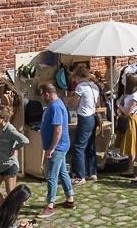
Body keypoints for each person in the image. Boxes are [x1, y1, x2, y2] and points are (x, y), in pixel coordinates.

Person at [37, 83, 74, 218]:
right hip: (59, 146)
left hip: (58, 147)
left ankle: (50, 206)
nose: (42, 98)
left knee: (51, 176)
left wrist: (52, 148)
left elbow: (58, 129)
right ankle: (70, 199)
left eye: (42, 95)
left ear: (47, 94)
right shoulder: (55, 105)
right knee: (62, 172)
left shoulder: (56, 107)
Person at [0, 104, 28, 202]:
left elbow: (25, 140)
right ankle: (4, 207)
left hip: (9, 164)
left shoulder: (10, 130)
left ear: (3, 119)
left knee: (10, 191)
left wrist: (15, 148)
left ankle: (14, 208)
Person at [67, 70, 98, 185]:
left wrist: (68, 102)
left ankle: (81, 176)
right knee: (90, 145)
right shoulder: (94, 86)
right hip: (93, 117)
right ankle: (92, 172)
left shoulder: (81, 86)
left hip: (84, 118)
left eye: (74, 78)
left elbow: (75, 104)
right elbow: (97, 102)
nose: (74, 81)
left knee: (79, 147)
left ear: (78, 76)